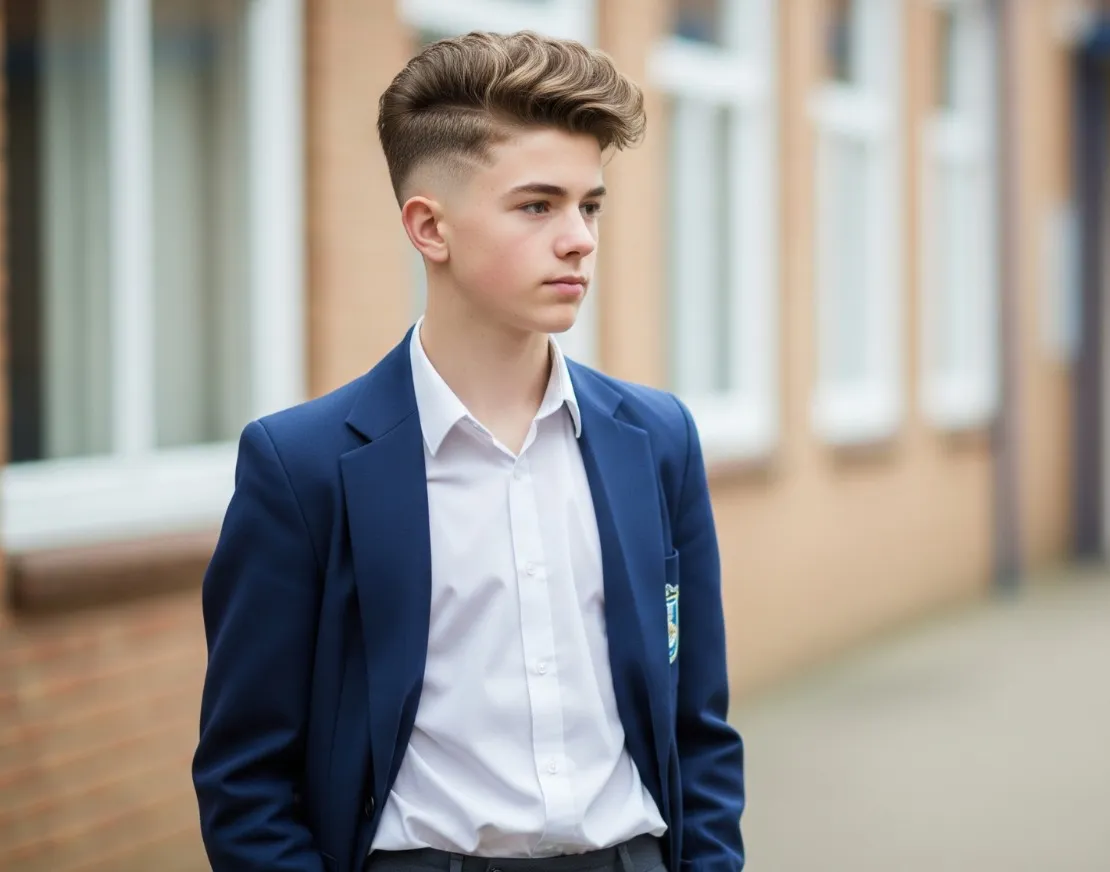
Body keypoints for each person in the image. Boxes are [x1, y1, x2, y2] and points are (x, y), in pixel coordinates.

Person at [192, 30, 744, 872]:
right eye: (538, 205)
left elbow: (698, 730)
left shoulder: (656, 439)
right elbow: (247, 779)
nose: (579, 239)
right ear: (429, 228)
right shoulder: (300, 468)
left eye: (589, 205)